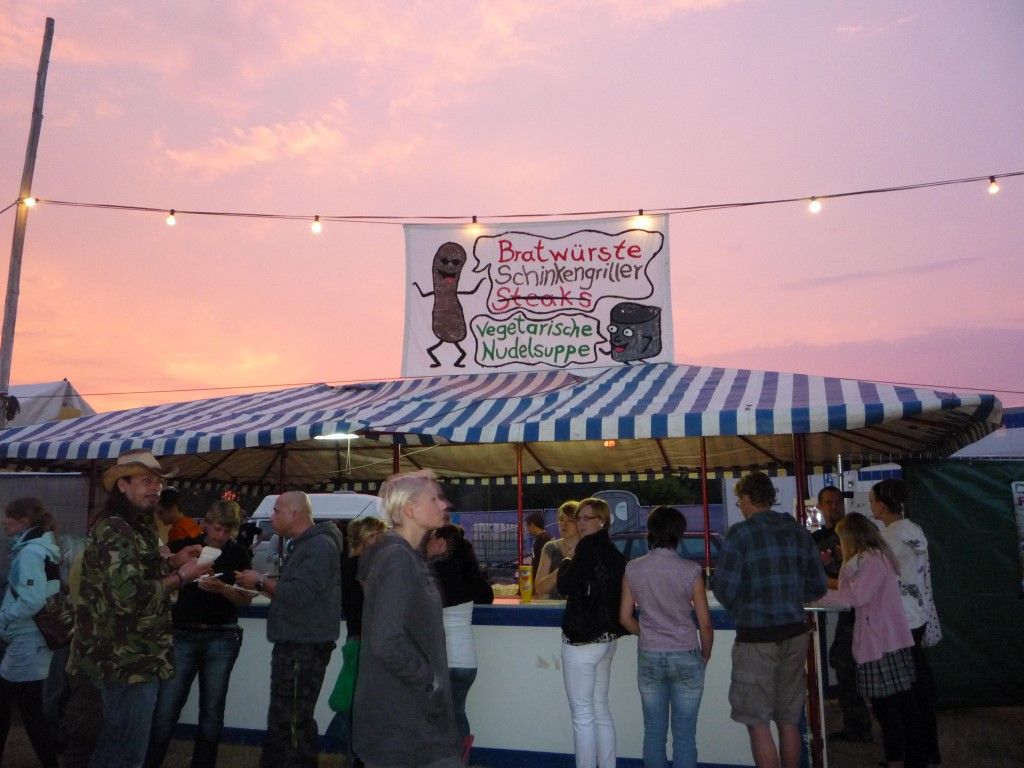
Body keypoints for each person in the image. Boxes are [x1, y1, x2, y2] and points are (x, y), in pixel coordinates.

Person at [68, 449, 211, 768]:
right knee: (125, 753)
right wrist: (182, 576)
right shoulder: (115, 528)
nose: (155, 488)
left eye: (158, 482)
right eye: (146, 481)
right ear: (122, 485)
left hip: (134, 655)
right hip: (124, 659)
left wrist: (173, 561)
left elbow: (139, 571)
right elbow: (129, 596)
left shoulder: (137, 525)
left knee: (117, 746)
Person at [711, 472, 827, 768]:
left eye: (739, 501)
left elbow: (724, 588)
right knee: (789, 719)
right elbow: (818, 586)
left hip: (757, 637)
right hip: (795, 634)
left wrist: (743, 606)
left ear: (747, 498)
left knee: (757, 721)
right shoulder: (798, 531)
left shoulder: (740, 534)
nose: (739, 506)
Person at [353, 470, 462, 768]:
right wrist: (430, 680)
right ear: (410, 509)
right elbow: (386, 640)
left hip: (411, 715)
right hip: (403, 720)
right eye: (434, 499)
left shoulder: (405, 555)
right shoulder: (397, 559)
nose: (444, 505)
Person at [235, 491, 343, 768]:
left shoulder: (318, 547)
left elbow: (299, 594)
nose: (271, 517)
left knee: (292, 721)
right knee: (285, 718)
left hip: (302, 647)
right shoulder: (307, 545)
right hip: (298, 644)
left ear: (294, 514)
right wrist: (263, 585)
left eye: (276, 511)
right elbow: (296, 593)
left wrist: (260, 581)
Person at [144, 499, 254, 768]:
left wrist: (223, 589)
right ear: (206, 524)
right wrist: (173, 563)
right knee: (166, 710)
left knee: (211, 713)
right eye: (216, 529)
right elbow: (157, 564)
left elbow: (245, 599)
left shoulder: (238, 553)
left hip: (221, 635)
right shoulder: (187, 546)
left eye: (227, 531)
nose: (220, 536)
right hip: (183, 633)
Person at [820, 512, 926, 768]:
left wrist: (819, 592)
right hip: (883, 642)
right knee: (892, 708)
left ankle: (900, 760)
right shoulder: (870, 558)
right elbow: (849, 592)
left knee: (890, 710)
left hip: (883, 644)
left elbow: (854, 597)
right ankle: (903, 759)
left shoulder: (873, 560)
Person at [619, 505, 713, 768]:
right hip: (686, 653)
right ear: (678, 533)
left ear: (650, 531)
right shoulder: (691, 570)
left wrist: (648, 633)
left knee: (653, 734)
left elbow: (625, 618)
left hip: (650, 655)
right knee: (685, 737)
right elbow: (705, 624)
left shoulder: (633, 568)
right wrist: (705, 655)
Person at [870, 479, 942, 767]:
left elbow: (873, 579)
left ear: (882, 506)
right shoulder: (914, 530)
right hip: (917, 615)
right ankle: (926, 752)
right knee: (918, 689)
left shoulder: (887, 538)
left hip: (898, 620)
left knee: (904, 696)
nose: (871, 505)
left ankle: (914, 756)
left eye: (872, 501)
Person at [556, 497, 627, 768]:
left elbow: (565, 585)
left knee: (582, 715)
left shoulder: (586, 548)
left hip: (582, 641)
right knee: (601, 711)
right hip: (607, 639)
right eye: (579, 518)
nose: (581, 523)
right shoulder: (614, 551)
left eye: (588, 518)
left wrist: (566, 562)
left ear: (603, 521)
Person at [0, 498, 62, 768]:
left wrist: (3, 616)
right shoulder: (43, 549)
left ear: (23, 521)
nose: (4, 522)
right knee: (30, 710)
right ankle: (50, 762)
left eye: (8, 517)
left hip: (26, 640)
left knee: (22, 710)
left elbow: (31, 600)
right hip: (36, 640)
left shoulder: (29, 553)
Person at [426, 523, 494, 763]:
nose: (427, 544)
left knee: (439, 717)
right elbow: (487, 596)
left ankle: (449, 761)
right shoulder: (468, 570)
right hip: (467, 662)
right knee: (457, 712)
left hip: (443, 660)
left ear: (441, 542)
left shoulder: (432, 572)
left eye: (431, 539)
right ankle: (460, 758)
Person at [812, 485, 873, 743]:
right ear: (820, 506)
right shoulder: (816, 538)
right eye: (829, 502)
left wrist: (827, 581)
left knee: (846, 663)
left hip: (861, 610)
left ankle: (860, 727)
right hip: (844, 609)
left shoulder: (854, 533)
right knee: (841, 660)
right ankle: (857, 724)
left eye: (838, 502)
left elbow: (857, 583)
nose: (835, 506)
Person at [325, 515, 387, 768]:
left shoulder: (351, 564)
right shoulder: (363, 566)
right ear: (366, 538)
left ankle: (355, 755)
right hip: (366, 642)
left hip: (359, 639)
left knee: (359, 704)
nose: (382, 541)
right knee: (364, 707)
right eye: (377, 536)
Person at [533, 500, 581, 599]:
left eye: (570, 520)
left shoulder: (588, 548)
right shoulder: (551, 547)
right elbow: (539, 589)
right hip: (555, 606)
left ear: (579, 523)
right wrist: (564, 567)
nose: (564, 524)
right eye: (561, 519)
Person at [526, 510, 551, 583]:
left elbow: (543, 563)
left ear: (532, 525)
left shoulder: (542, 540)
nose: (527, 529)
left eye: (527, 525)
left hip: (540, 580)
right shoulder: (544, 538)